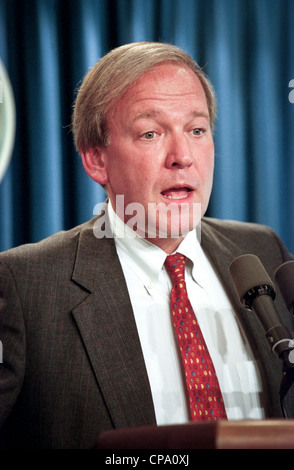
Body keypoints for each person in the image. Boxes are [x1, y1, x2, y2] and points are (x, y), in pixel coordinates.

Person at [0, 42, 293, 449]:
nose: (182, 157)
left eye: (196, 129)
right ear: (96, 160)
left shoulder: (262, 252)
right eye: (151, 133)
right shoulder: (26, 285)